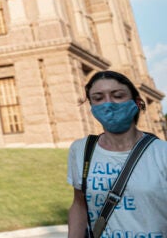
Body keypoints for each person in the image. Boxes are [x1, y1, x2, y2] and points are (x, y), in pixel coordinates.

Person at [67, 70, 167, 238]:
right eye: (98, 98)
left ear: (136, 102)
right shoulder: (81, 150)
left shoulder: (162, 152)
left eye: (118, 96)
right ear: (91, 106)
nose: (108, 104)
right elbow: (79, 205)